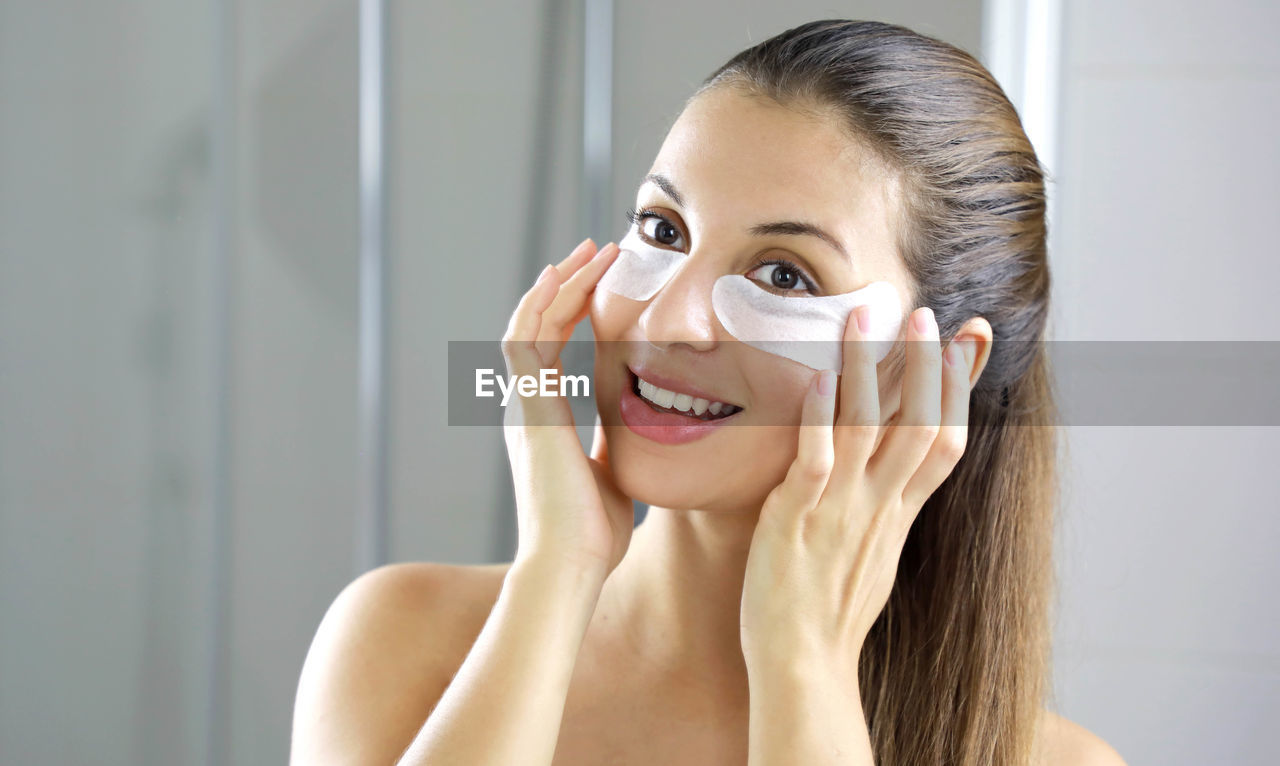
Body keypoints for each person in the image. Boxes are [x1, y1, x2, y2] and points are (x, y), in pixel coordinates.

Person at [291, 19, 1126, 766]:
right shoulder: (398, 640)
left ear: (934, 368)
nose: (666, 318)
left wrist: (805, 665)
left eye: (784, 275)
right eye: (663, 229)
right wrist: (558, 571)